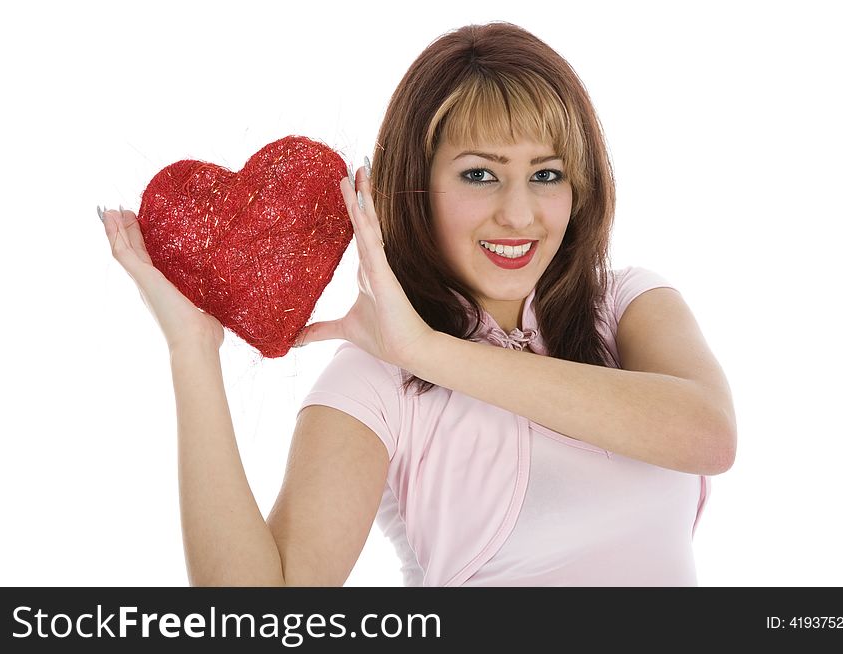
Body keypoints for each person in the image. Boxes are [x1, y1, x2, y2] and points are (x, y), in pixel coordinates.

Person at [100, 22, 736, 587]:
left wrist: (429, 350)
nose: (518, 214)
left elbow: (708, 437)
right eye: (479, 173)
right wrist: (193, 350)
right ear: (417, 185)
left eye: (546, 173)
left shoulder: (625, 306)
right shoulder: (374, 381)